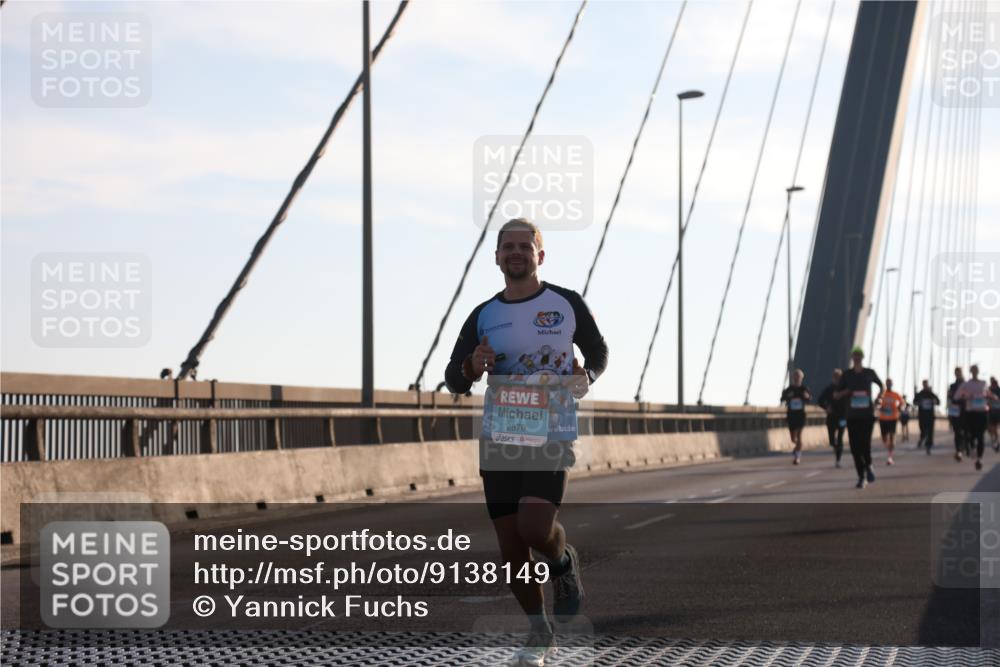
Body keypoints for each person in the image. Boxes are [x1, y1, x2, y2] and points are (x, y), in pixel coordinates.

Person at [445, 218, 608, 667]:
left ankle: (563, 561)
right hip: (501, 434)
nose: (516, 253)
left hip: (551, 429)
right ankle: (540, 633)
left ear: (540, 255)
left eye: (525, 246)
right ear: (497, 257)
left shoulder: (566, 303)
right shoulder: (484, 314)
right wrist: (471, 366)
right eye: (507, 247)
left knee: (534, 529)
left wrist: (586, 375)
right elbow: (453, 378)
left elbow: (598, 352)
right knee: (512, 548)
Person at [833, 346, 884, 489]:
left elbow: (881, 386)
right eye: (854, 355)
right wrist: (846, 392)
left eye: (859, 355)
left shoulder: (869, 373)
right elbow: (836, 395)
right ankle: (862, 477)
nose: (856, 358)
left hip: (867, 415)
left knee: (865, 445)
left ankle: (869, 466)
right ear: (852, 358)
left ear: (862, 357)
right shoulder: (847, 375)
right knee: (855, 448)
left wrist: (879, 398)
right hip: (852, 416)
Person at [955, 364, 990, 471]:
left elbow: (987, 394)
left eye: (976, 370)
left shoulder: (983, 383)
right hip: (970, 414)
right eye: (973, 370)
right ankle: (973, 453)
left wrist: (989, 397)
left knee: (981, 437)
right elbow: (957, 396)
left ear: (978, 371)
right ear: (971, 371)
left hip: (982, 413)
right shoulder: (966, 384)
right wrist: (966, 396)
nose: (974, 372)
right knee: (970, 436)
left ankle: (979, 459)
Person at [817, 368, 847, 467]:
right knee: (831, 440)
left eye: (839, 377)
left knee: (840, 438)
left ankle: (838, 460)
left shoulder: (845, 389)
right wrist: (826, 407)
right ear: (833, 378)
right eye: (835, 377)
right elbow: (820, 400)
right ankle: (835, 447)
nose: (837, 379)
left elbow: (851, 400)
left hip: (842, 417)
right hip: (831, 416)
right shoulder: (828, 389)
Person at [780, 370, 811, 465]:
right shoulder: (789, 389)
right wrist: (786, 397)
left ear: (802, 378)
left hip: (800, 415)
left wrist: (807, 397)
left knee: (799, 436)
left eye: (799, 376)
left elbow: (809, 399)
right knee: (793, 439)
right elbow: (782, 399)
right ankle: (798, 446)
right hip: (791, 415)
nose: (797, 378)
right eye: (795, 376)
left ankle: (797, 457)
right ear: (793, 378)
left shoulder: (804, 389)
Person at [877, 379, 904, 465]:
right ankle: (888, 447)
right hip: (883, 418)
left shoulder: (895, 394)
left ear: (892, 384)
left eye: (890, 383)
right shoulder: (882, 394)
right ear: (885, 384)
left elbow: (902, 402)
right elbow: (877, 402)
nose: (888, 385)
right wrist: (879, 405)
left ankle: (890, 457)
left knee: (892, 437)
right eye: (887, 383)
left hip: (893, 418)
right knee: (884, 438)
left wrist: (899, 407)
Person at [913, 380, 940, 454]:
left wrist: (934, 401)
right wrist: (919, 402)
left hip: (930, 416)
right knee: (923, 430)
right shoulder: (920, 394)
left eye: (926, 384)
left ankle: (929, 445)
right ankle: (922, 439)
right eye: (924, 384)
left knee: (930, 431)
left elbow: (938, 402)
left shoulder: (931, 394)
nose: (925, 386)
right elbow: (914, 402)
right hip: (922, 416)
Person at [947, 367, 967, 461]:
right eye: (956, 373)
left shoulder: (966, 385)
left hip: (965, 411)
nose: (957, 374)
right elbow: (950, 399)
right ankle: (958, 450)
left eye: (959, 373)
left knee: (965, 431)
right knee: (957, 431)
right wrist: (949, 413)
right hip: (955, 411)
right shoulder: (952, 386)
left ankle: (964, 447)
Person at [988, 376, 1000, 452]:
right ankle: (995, 441)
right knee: (993, 428)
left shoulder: (993, 390)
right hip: (992, 412)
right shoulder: (990, 390)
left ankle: (996, 441)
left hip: (995, 412)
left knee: (994, 428)